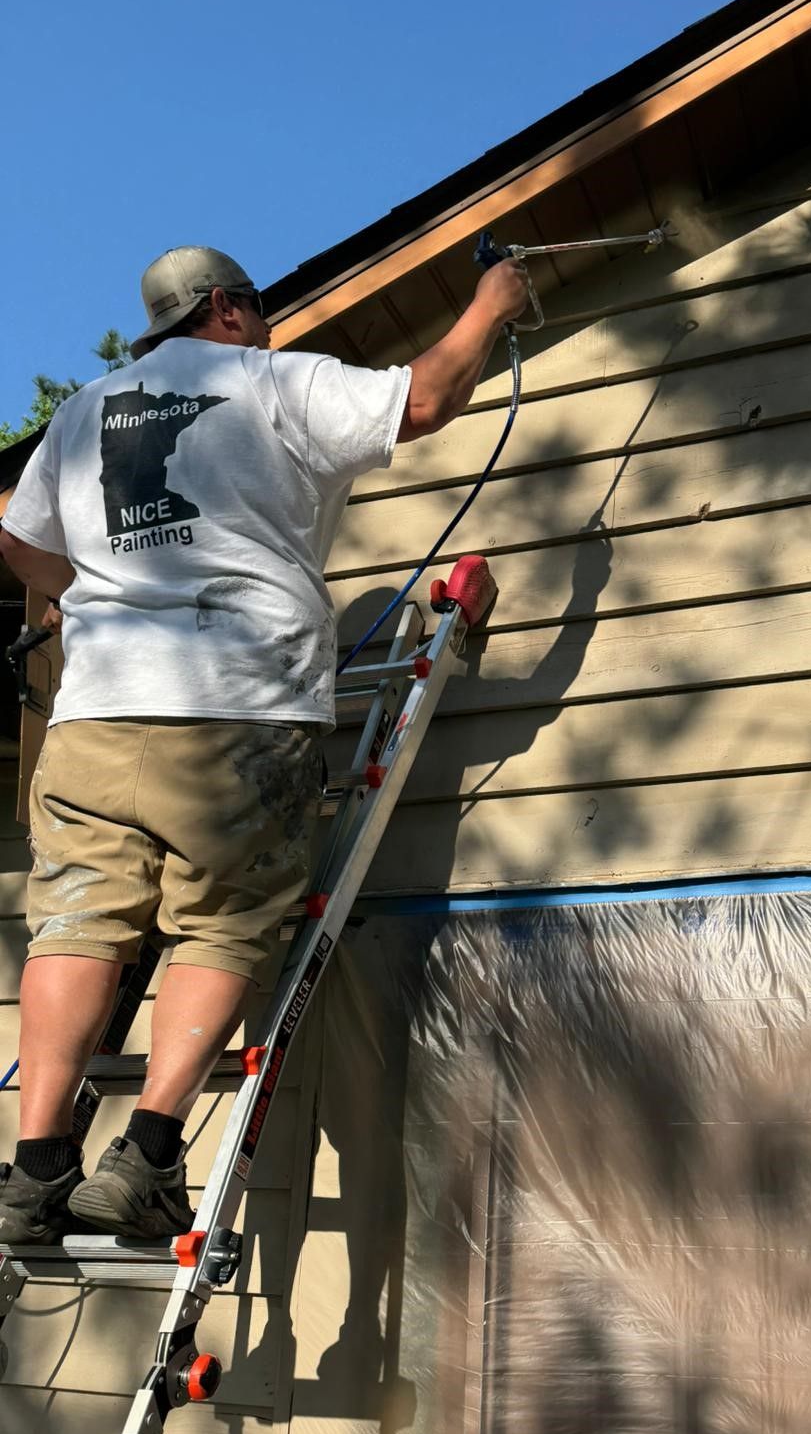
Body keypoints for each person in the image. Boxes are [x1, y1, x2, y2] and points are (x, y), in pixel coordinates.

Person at [0, 244, 528, 1243]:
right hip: (239, 702)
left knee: (75, 921)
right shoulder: (272, 380)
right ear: (233, 312)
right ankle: (149, 1153)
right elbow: (422, 401)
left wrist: (98, 585)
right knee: (226, 920)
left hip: (95, 715)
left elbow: (24, 548)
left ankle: (33, 1170)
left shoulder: (86, 410)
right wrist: (489, 306)